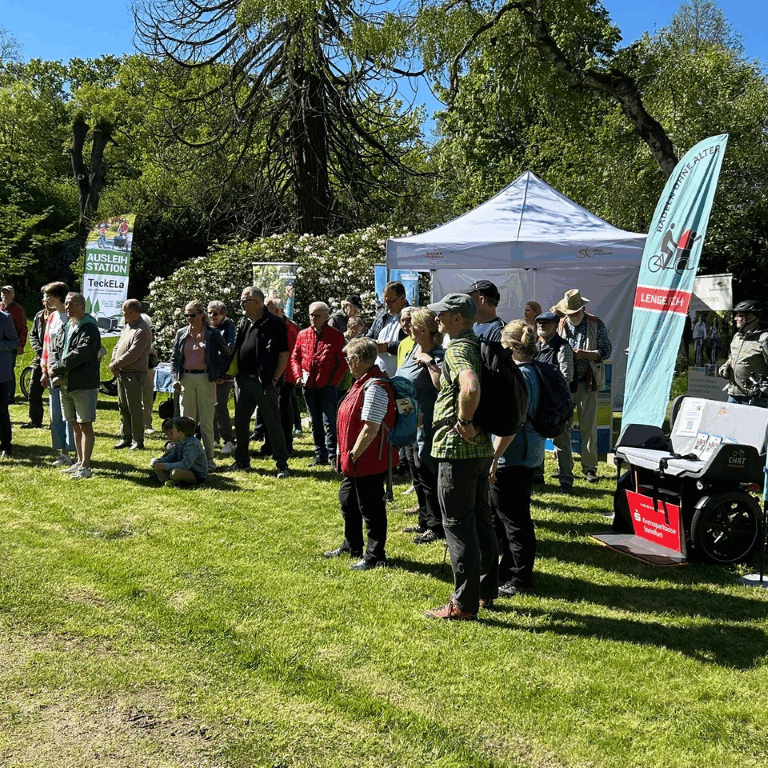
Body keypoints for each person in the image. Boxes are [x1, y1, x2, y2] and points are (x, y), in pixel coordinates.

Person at [424, 293, 498, 621]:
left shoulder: (457, 349)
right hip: (480, 450)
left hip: (457, 450)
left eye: (441, 315)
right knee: (482, 522)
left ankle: (463, 605)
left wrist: (464, 422)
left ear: (457, 318)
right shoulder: (475, 343)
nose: (437, 320)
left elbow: (469, 387)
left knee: (457, 526)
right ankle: (484, 592)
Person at [324, 337, 398, 570]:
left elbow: (371, 427)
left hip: (368, 458)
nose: (347, 363)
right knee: (348, 500)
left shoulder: (375, 386)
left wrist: (354, 454)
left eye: (349, 359)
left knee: (371, 508)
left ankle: (375, 555)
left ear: (358, 359)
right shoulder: (361, 383)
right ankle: (352, 544)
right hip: (355, 458)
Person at [489, 320, 545, 597]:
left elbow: (512, 424)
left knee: (514, 521)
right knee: (512, 516)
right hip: (531, 452)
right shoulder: (536, 370)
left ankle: (520, 578)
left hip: (512, 456)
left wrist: (493, 458)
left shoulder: (518, 376)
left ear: (510, 347)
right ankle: (509, 569)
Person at [226, 286, 290, 478]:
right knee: (241, 422)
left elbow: (283, 354)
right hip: (243, 380)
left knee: (272, 422)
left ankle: (281, 464)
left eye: (245, 300)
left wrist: (275, 379)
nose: (241, 304)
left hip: (264, 382)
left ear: (258, 302)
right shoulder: (244, 322)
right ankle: (242, 460)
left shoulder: (275, 323)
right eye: (241, 301)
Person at [396, 307, 445, 544]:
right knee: (416, 472)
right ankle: (424, 521)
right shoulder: (413, 347)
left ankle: (436, 525)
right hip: (408, 421)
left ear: (423, 330)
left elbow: (441, 385)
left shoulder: (436, 353)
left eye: (412, 325)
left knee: (428, 471)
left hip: (427, 423)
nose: (407, 328)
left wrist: (429, 363)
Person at [556, 289, 611, 484]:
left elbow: (606, 351)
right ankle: (563, 466)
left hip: (587, 382)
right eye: (569, 313)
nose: (572, 316)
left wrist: (585, 354)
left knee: (589, 427)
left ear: (583, 309)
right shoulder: (561, 324)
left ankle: (589, 468)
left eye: (575, 312)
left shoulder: (596, 324)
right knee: (562, 426)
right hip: (565, 383)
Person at [170, 301, 231, 471]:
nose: (189, 318)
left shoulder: (212, 333)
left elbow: (227, 353)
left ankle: (209, 458)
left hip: (205, 378)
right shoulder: (181, 333)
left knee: (206, 420)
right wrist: (175, 377)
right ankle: (185, 457)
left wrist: (219, 374)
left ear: (202, 314)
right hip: (186, 378)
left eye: (192, 315)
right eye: (186, 315)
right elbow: (174, 357)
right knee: (186, 421)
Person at [48, 293, 101, 479]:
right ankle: (78, 461)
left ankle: (86, 466)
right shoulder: (67, 325)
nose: (68, 308)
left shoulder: (89, 327)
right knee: (73, 425)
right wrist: (56, 371)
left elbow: (81, 353)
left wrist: (57, 368)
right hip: (65, 385)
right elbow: (55, 348)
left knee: (85, 424)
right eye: (67, 304)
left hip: (83, 384)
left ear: (82, 306)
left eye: (72, 304)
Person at [290, 301, 348, 466]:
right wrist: (298, 376)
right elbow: (296, 358)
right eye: (311, 315)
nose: (313, 318)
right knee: (315, 421)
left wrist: (333, 382)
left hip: (327, 386)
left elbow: (342, 363)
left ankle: (332, 455)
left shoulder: (336, 336)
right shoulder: (303, 334)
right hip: (308, 386)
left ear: (326, 316)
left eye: (317, 315)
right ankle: (319, 455)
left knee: (329, 421)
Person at [536, 310, 575, 493]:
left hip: (557, 403)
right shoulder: (536, 346)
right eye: (540, 323)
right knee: (537, 440)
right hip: (538, 401)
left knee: (561, 442)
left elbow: (566, 377)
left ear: (555, 326)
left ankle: (566, 480)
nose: (542, 326)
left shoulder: (562, 347)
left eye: (546, 323)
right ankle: (538, 477)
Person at [40, 282, 77, 468]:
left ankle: (75, 452)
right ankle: (63, 453)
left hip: (69, 375)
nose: (46, 300)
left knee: (69, 415)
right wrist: (45, 370)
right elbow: (47, 346)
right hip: (53, 373)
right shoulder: (52, 317)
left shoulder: (72, 318)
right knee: (55, 414)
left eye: (49, 296)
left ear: (59, 297)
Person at [110, 299, 152, 451]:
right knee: (123, 406)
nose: (122, 313)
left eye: (124, 310)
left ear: (133, 312)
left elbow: (133, 353)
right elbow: (118, 346)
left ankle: (138, 440)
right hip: (122, 372)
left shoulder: (142, 330)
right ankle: (125, 437)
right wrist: (114, 361)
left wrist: (116, 364)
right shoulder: (128, 327)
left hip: (134, 373)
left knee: (134, 407)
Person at [264, 296, 299, 456]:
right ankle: (269, 445)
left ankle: (286, 446)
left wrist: (284, 376)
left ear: (276, 310)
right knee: (269, 410)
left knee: (283, 411)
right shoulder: (267, 325)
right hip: (271, 376)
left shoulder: (289, 328)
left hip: (285, 377)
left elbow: (291, 354)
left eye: (267, 308)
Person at [718, 300, 768, 406]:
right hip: (733, 394)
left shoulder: (764, 338)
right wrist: (724, 369)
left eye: (739, 315)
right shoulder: (737, 337)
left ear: (750, 317)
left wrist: (763, 389)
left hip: (753, 398)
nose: (735, 318)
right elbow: (732, 358)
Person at [208, 300, 237, 456]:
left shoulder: (229, 328)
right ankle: (213, 437)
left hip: (224, 375)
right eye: (210, 313)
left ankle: (229, 440)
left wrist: (222, 375)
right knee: (209, 406)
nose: (212, 316)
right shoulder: (206, 328)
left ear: (224, 314)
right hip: (209, 374)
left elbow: (229, 351)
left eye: (216, 313)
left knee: (220, 406)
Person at [150, 416, 208, 487]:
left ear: (180, 433)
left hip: (195, 473)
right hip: (180, 467)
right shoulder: (179, 441)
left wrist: (164, 466)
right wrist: (161, 461)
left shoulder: (193, 444)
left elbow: (185, 465)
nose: (171, 432)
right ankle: (167, 481)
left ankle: (169, 480)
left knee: (175, 473)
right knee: (154, 462)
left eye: (173, 430)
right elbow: (172, 456)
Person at [366, 280, 408, 376]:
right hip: (378, 374)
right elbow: (368, 336)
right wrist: (372, 343)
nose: (388, 306)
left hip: (400, 376)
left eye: (391, 301)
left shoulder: (412, 316)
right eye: (385, 302)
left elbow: (413, 343)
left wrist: (388, 347)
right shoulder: (381, 316)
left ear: (403, 298)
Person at [21, 297, 50, 430]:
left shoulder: (61, 316)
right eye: (44, 300)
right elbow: (32, 335)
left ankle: (59, 423)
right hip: (40, 359)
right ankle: (35, 421)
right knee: (34, 391)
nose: (46, 302)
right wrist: (39, 349)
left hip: (56, 359)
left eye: (49, 299)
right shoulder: (39, 315)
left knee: (58, 393)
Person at [0, 285, 27, 405]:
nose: (5, 295)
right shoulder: (0, 307)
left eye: (8, 293)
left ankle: (10, 396)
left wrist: (21, 345)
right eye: (3, 293)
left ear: (13, 295)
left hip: (10, 344)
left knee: (9, 370)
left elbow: (22, 328)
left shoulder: (18, 309)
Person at [0, 307, 19, 457]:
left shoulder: (5, 318)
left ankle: (6, 445)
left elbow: (14, 341)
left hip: (0, 375)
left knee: (1, 412)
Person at [141, 312, 158, 436]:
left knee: (147, 398)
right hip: (133, 369)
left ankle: (147, 424)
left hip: (148, 368)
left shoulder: (153, 335)